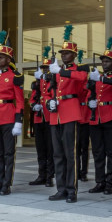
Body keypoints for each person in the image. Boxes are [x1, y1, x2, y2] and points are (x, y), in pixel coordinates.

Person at [47, 25, 88, 203]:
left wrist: (60, 71)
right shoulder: (56, 72)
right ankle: (61, 188)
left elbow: (81, 79)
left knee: (70, 154)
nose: (64, 55)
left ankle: (72, 190)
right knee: (57, 154)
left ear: (74, 55)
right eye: (62, 53)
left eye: (67, 53)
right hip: (56, 113)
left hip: (70, 112)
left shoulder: (78, 70)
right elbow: (49, 91)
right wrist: (50, 101)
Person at [0, 31, 24, 196]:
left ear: (8, 59)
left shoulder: (15, 76)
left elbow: (20, 101)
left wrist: (18, 121)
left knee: (9, 153)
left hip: (8, 118)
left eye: (1, 57)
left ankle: (6, 184)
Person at [87, 40, 112, 195]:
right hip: (96, 117)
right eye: (103, 61)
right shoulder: (96, 78)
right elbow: (88, 93)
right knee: (98, 152)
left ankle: (110, 183)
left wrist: (101, 79)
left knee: (111, 152)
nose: (104, 64)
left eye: (107, 61)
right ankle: (100, 182)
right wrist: (89, 101)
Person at [29, 47, 54, 187]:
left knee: (51, 149)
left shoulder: (52, 81)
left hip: (50, 118)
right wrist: (34, 106)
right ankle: (41, 175)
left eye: (47, 68)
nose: (45, 70)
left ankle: (50, 176)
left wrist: (43, 101)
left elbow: (52, 96)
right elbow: (32, 99)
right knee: (40, 149)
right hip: (39, 119)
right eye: (43, 68)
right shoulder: (36, 83)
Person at [76, 50, 90, 182]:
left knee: (84, 148)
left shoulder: (89, 84)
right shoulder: (78, 83)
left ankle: (84, 172)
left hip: (86, 119)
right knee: (76, 148)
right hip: (77, 117)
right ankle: (77, 170)